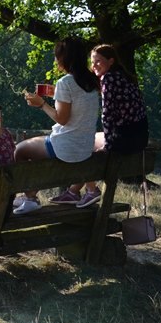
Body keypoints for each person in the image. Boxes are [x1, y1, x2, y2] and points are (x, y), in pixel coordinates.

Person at [50, 43, 150, 204]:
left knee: (84, 145)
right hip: (139, 137)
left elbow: (108, 115)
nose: (94, 65)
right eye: (92, 61)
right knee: (87, 140)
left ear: (111, 61)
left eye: (98, 61)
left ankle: (87, 190)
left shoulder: (108, 79)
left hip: (124, 139)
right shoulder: (122, 76)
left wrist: (108, 144)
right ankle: (76, 191)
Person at [13, 38, 100, 214]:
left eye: (57, 56)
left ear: (65, 59)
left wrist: (41, 104)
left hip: (66, 146)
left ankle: (30, 198)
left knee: (19, 151)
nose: (55, 60)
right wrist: (57, 94)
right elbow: (78, 104)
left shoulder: (65, 82)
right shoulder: (91, 81)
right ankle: (30, 194)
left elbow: (62, 119)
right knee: (35, 150)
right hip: (85, 145)